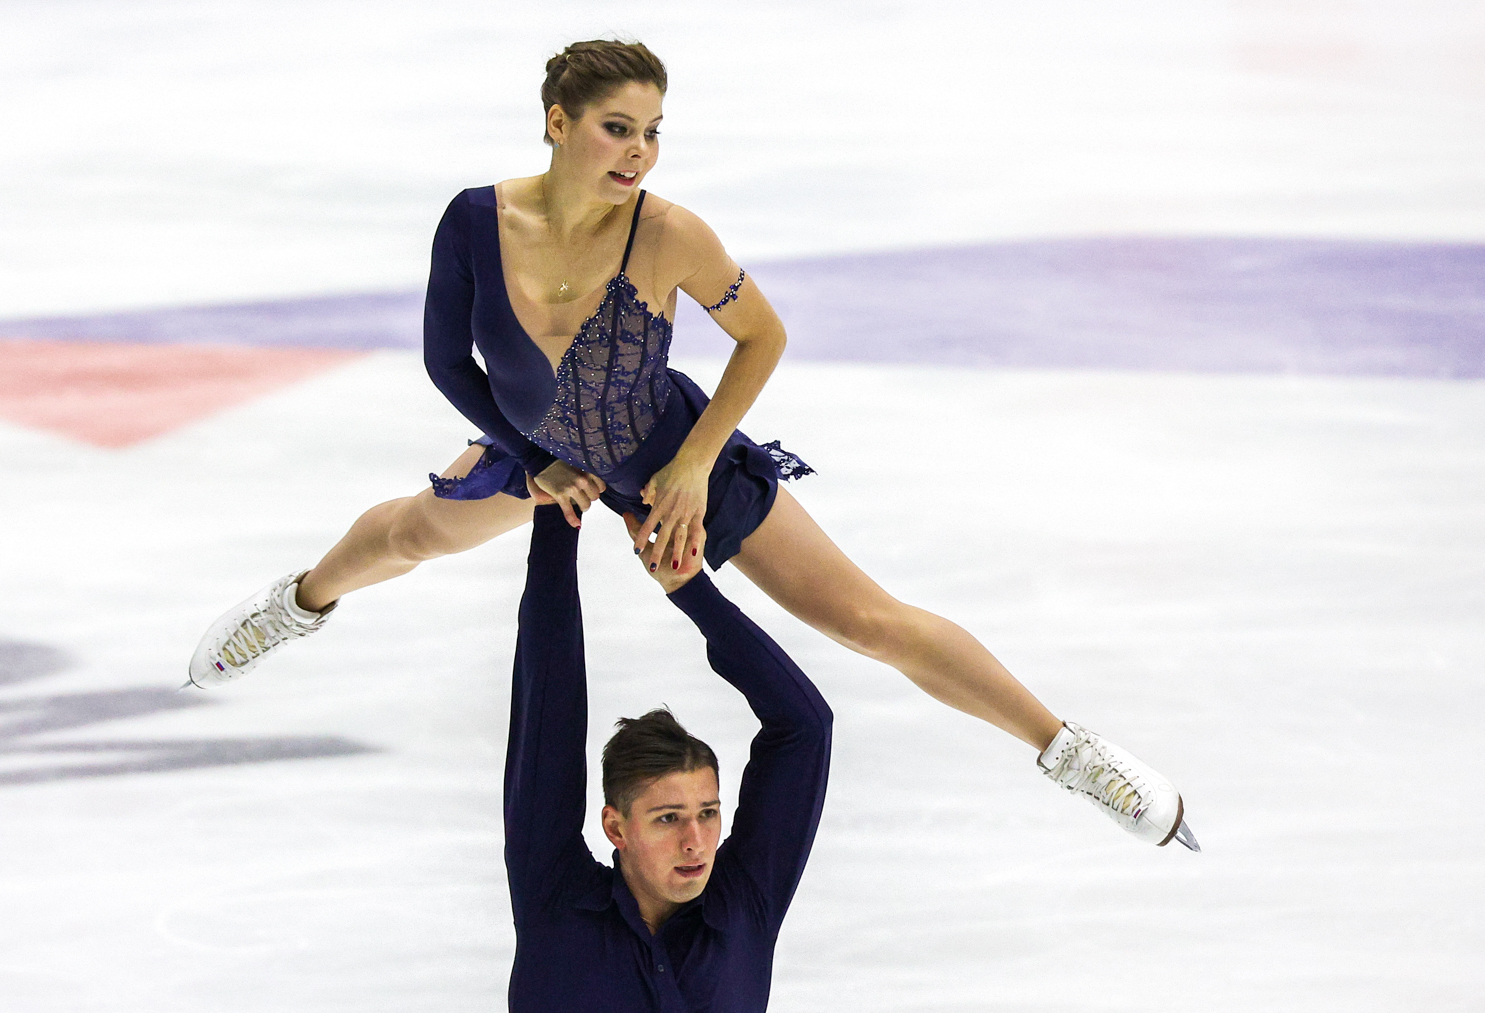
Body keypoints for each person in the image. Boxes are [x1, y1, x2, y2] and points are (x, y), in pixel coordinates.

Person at [185, 40, 1197, 852]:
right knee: (411, 534)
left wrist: (695, 460)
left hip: (667, 449)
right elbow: (450, 365)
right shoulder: (472, 222)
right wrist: (525, 457)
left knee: (861, 618)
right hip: (536, 444)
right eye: (616, 129)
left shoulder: (671, 234)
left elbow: (763, 336)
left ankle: (1070, 750)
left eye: (653, 133)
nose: (636, 154)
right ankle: (295, 604)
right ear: (557, 123)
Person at [504, 504, 830, 1011]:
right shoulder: (556, 899)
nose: (697, 842)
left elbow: (807, 727)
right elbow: (547, 704)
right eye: (668, 819)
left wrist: (691, 590)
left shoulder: (744, 904)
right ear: (616, 828)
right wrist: (555, 517)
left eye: (707, 813)